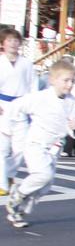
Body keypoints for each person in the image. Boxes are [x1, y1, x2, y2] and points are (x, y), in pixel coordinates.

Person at [4, 59, 75, 228]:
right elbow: (16, 106)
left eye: (72, 81)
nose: (69, 85)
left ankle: (19, 209)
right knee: (42, 175)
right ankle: (17, 195)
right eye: (65, 80)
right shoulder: (40, 98)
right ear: (52, 80)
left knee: (46, 185)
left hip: (54, 148)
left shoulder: (71, 102)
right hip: (35, 144)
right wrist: (8, 126)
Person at [0, 28, 38, 195]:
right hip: (3, 106)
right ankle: (2, 183)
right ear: (3, 44)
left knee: (20, 149)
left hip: (22, 107)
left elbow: (33, 85)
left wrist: (32, 106)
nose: (13, 44)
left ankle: (9, 174)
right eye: (9, 40)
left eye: (15, 40)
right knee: (2, 148)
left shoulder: (26, 63)